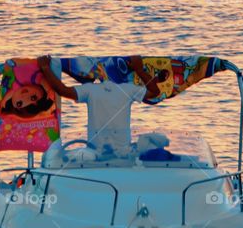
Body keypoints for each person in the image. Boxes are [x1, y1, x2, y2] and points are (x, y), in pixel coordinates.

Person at [37, 55, 167, 157]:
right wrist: (139, 69)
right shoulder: (126, 89)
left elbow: (63, 90)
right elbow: (155, 92)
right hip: (112, 152)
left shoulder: (92, 89)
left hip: (103, 152)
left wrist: (46, 68)